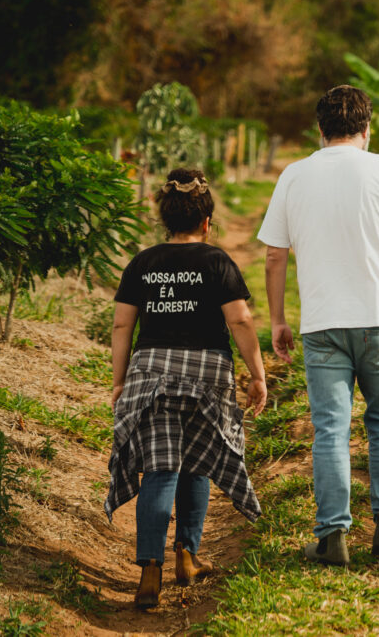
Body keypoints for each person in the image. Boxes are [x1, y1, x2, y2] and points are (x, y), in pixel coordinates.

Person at [258, 85, 379, 567]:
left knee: (331, 429)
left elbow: (274, 256)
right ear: (367, 129)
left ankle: (332, 536)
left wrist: (278, 319)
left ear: (320, 130)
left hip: (322, 325)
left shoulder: (293, 175)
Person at [104, 168, 268, 608]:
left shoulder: (143, 263)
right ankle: (187, 557)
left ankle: (149, 570)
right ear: (206, 222)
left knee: (160, 469)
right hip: (207, 375)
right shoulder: (217, 262)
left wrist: (120, 380)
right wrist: (257, 374)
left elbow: (122, 325)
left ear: (165, 221)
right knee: (197, 464)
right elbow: (240, 320)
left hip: (151, 373)